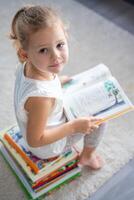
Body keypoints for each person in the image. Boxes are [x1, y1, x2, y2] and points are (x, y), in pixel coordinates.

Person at [10, 5, 106, 170]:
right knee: (100, 118)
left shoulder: (27, 67)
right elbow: (36, 139)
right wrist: (74, 127)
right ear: (24, 54)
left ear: (65, 37)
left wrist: (57, 81)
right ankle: (87, 156)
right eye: (43, 50)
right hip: (48, 147)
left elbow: (33, 86)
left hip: (42, 125)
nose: (56, 56)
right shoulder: (42, 98)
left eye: (60, 45)